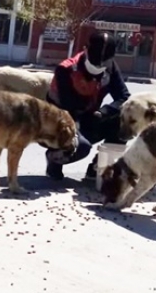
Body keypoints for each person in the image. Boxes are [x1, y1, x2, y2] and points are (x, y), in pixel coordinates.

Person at [44, 31, 131, 181]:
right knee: (82, 147)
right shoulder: (66, 70)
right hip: (62, 122)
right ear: (85, 50)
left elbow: (124, 97)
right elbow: (68, 106)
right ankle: (55, 158)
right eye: (94, 62)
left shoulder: (110, 67)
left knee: (125, 124)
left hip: (90, 116)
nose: (99, 67)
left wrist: (103, 112)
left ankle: (96, 168)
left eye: (103, 64)